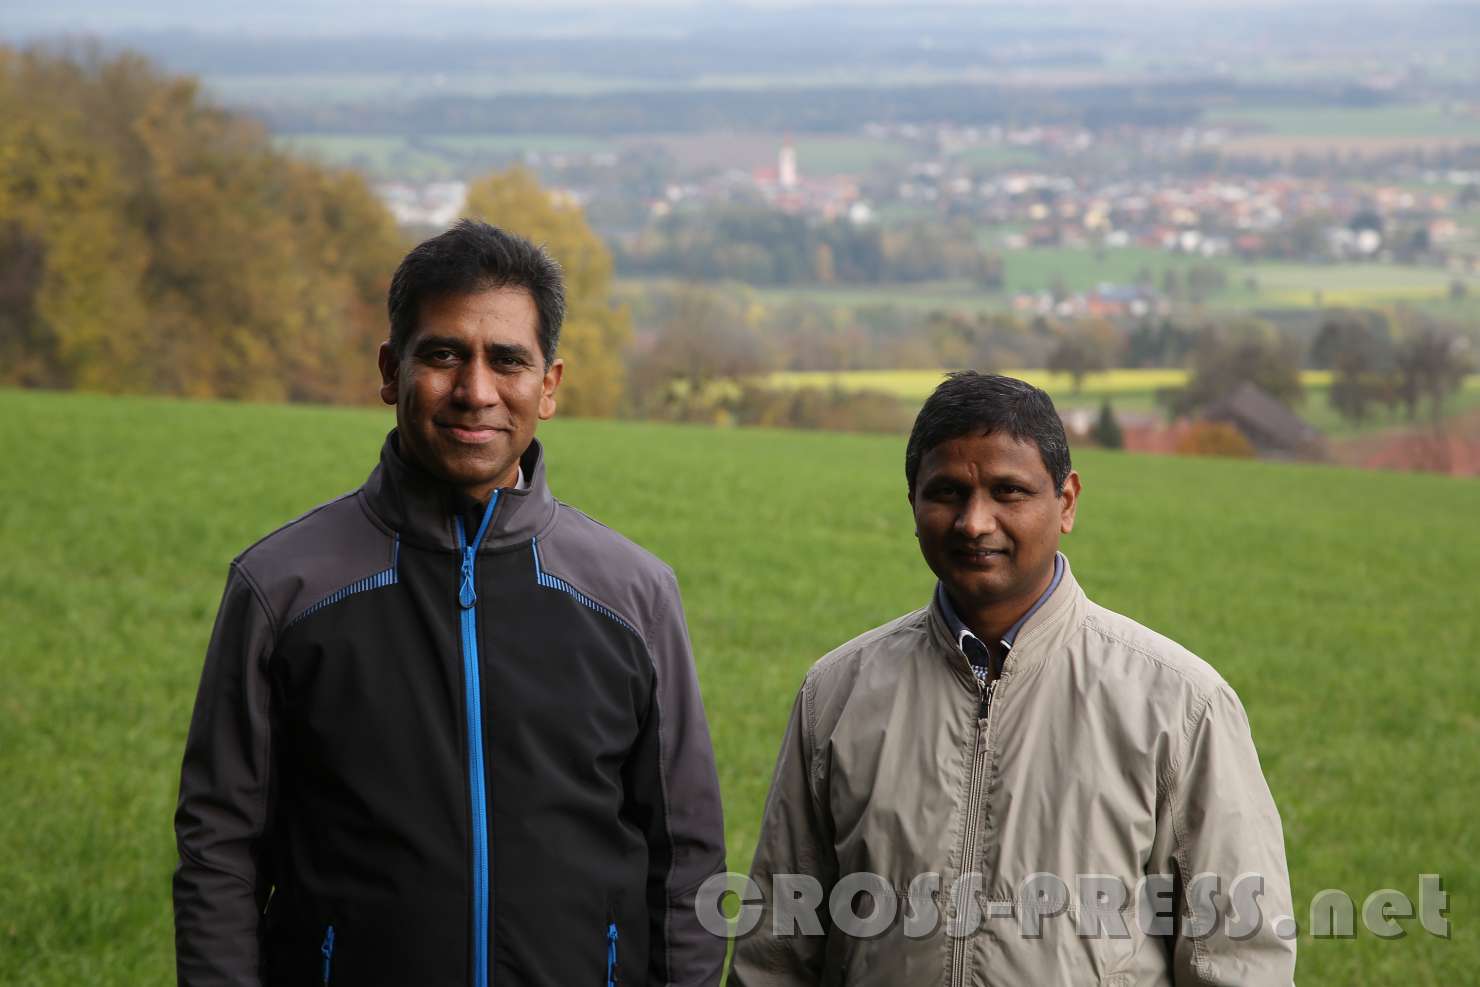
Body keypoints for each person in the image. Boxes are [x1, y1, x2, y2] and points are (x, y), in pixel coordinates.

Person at [174, 220, 726, 987]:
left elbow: (688, 856)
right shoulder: (282, 589)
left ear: (550, 385)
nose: (475, 391)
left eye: (507, 361)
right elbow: (218, 853)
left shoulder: (634, 597)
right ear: (388, 369)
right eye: (442, 355)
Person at [731, 372, 1295, 985]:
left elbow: (1239, 959)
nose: (974, 522)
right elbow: (776, 955)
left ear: (1067, 501)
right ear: (913, 503)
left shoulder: (1181, 705)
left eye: (1009, 491)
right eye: (946, 492)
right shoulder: (836, 695)